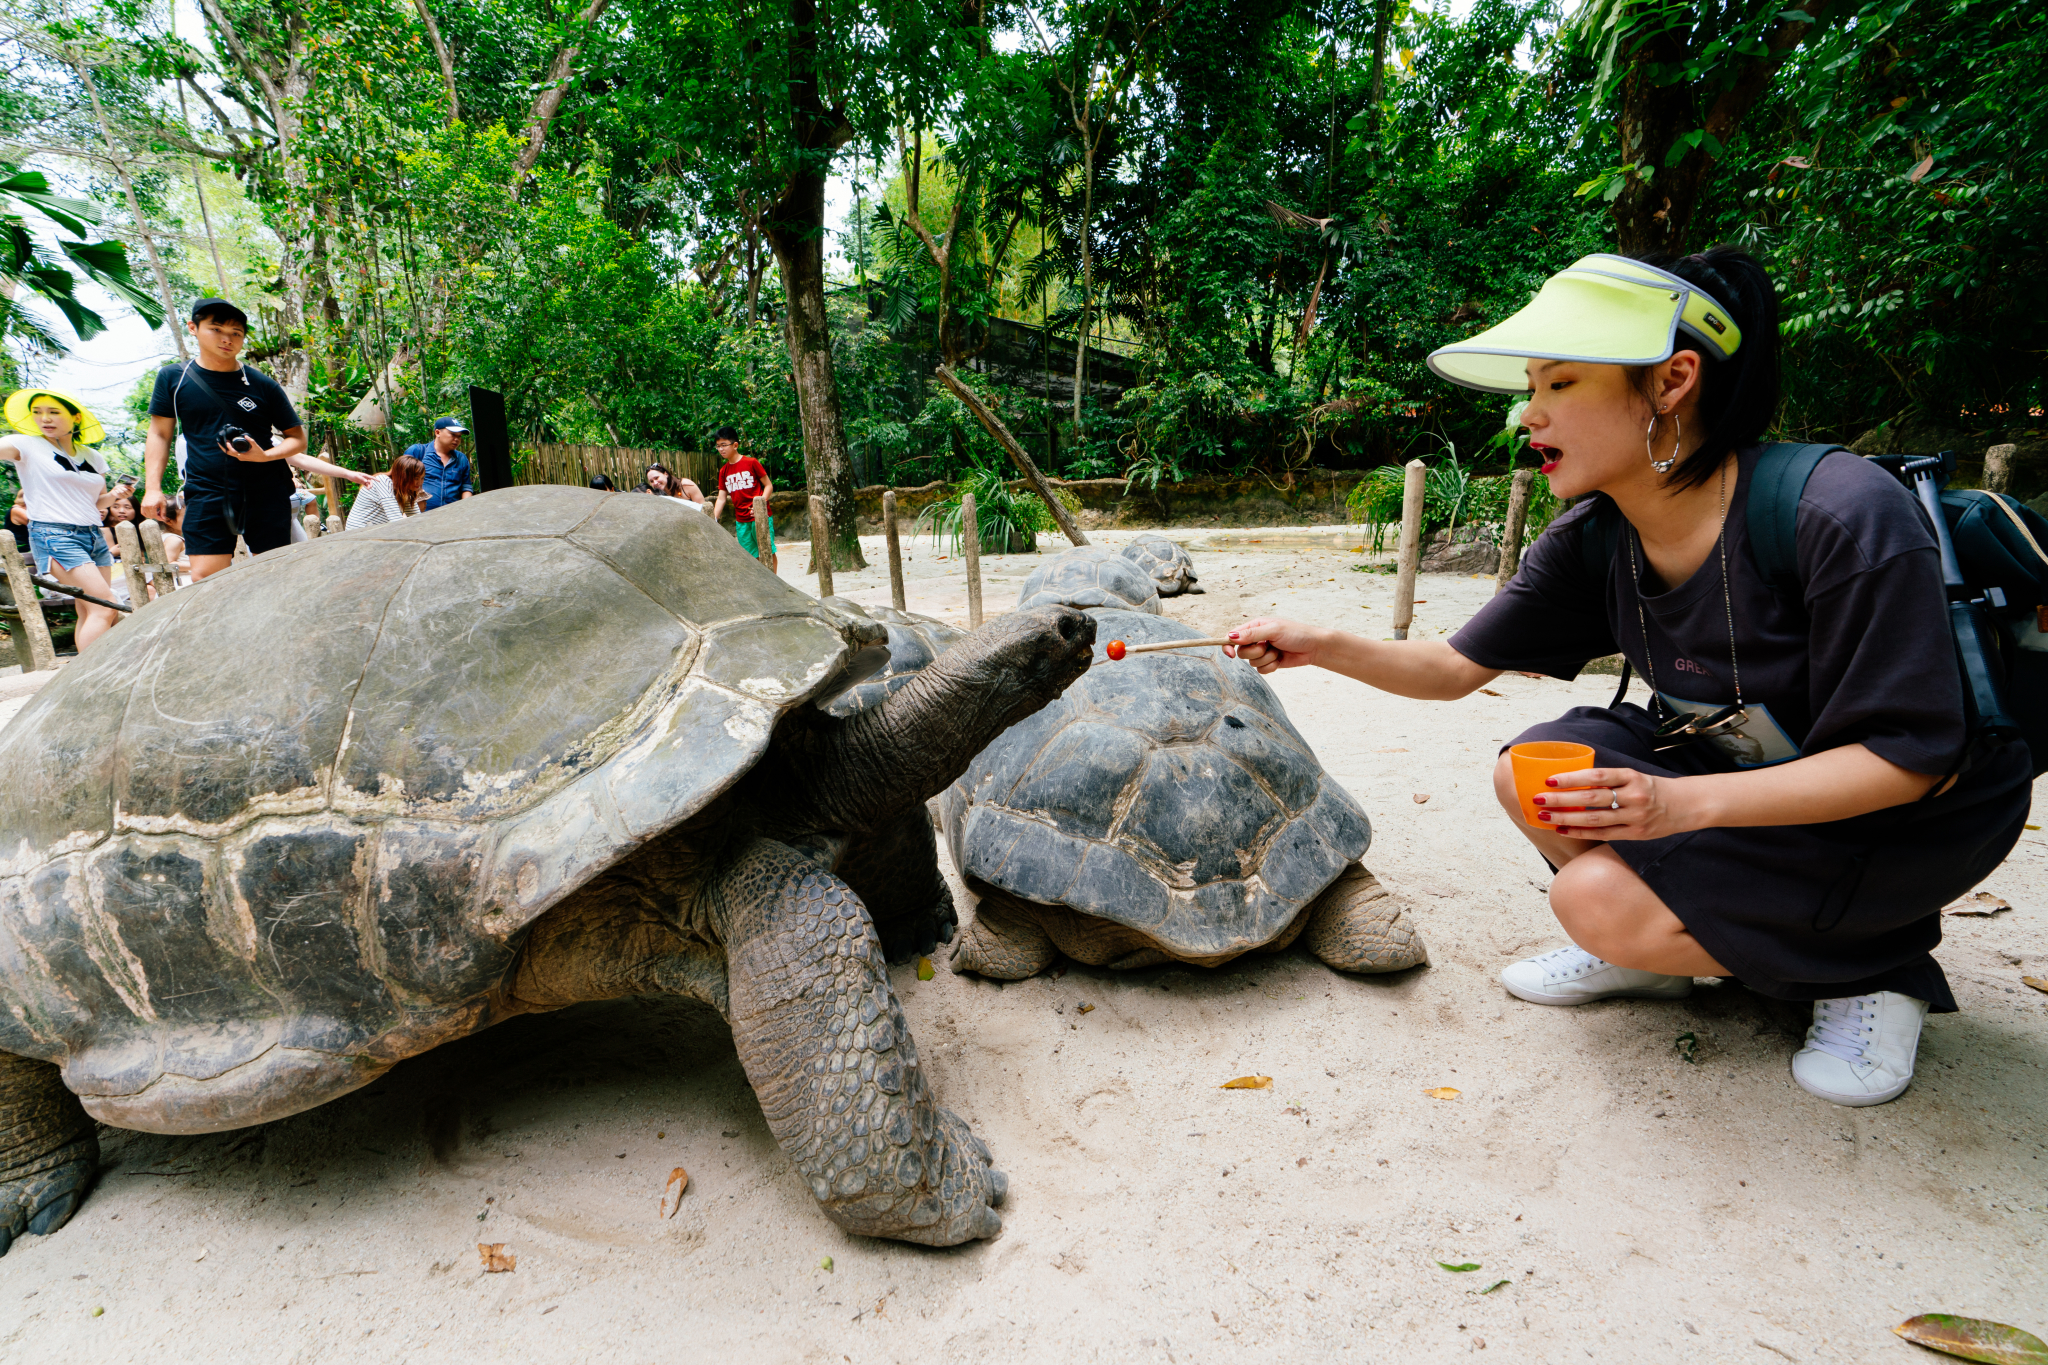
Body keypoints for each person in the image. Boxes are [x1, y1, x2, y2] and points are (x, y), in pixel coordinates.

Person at [1227, 248, 2029, 1110]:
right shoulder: (1596, 534)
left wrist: (1681, 806)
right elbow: (1454, 667)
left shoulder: (1836, 512)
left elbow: (1908, 758)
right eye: (1530, 388)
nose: (1526, 416)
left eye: (1560, 384)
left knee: (1595, 899)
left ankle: (1878, 962)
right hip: (1743, 772)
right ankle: (1665, 961)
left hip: (1897, 815)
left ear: (1674, 381)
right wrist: (1320, 642)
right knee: (1531, 771)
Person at [143, 300, 315, 580]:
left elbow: (296, 438)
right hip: (206, 490)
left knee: (273, 574)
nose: (227, 338)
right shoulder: (174, 377)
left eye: (236, 332)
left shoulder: (262, 384)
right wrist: (153, 488)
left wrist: (266, 456)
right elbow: (159, 434)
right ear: (193, 328)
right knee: (206, 578)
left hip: (265, 489)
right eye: (216, 329)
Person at [0, 389, 122, 650]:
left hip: (92, 535)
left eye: (54, 412)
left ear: (76, 418)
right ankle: (92, 677)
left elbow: (96, 503)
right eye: (37, 413)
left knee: (89, 608)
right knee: (105, 606)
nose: (45, 418)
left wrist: (115, 495)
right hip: (54, 534)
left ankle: (88, 675)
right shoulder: (25, 444)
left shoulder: (93, 456)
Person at [710, 427, 775, 568]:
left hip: (759, 516)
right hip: (741, 520)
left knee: (768, 550)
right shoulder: (723, 471)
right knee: (750, 556)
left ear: (735, 445)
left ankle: (775, 583)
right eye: (718, 446)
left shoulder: (751, 462)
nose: (721, 449)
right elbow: (721, 498)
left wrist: (760, 506)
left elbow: (768, 485)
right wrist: (713, 518)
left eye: (724, 445)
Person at [345, 453, 426, 531]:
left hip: (375, 531)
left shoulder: (406, 490)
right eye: (416, 478)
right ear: (403, 476)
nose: (420, 483)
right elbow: (396, 521)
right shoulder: (383, 481)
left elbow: (417, 519)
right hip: (358, 532)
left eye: (422, 478)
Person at [406, 417, 473, 511]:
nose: (456, 439)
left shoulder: (461, 459)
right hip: (422, 517)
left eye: (459, 436)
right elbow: (399, 479)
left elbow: (466, 487)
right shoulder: (418, 452)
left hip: (453, 516)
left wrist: (467, 509)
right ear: (437, 433)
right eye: (453, 434)